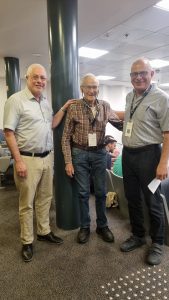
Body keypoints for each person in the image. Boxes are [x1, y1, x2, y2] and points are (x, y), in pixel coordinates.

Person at [3, 63, 75, 262]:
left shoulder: (44, 101)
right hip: (27, 159)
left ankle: (44, 232)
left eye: (43, 78)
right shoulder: (15, 100)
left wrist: (63, 108)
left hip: (47, 157)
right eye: (35, 77)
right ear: (27, 78)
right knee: (26, 203)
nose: (40, 81)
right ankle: (27, 241)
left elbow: (51, 124)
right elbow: (8, 133)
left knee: (45, 198)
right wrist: (18, 161)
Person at [61, 73, 123, 244]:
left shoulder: (105, 106)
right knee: (83, 193)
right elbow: (65, 137)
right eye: (89, 86)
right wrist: (68, 161)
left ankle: (102, 226)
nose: (92, 90)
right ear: (82, 89)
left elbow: (119, 124)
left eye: (95, 87)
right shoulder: (74, 107)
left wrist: (138, 119)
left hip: (99, 153)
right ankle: (85, 226)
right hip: (79, 154)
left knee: (101, 193)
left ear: (98, 89)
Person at [120, 58, 169, 265]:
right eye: (133, 74)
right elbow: (130, 119)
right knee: (132, 198)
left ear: (152, 74)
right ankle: (138, 235)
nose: (138, 77)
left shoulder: (162, 98)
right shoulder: (130, 95)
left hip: (150, 155)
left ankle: (158, 242)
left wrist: (163, 163)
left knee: (153, 200)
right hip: (128, 155)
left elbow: (168, 134)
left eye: (142, 73)